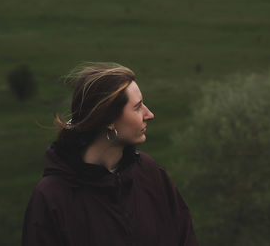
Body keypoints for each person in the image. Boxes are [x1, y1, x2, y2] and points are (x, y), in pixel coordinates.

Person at [21, 62, 198, 246]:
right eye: (137, 107)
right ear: (109, 120)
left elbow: (184, 236)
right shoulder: (51, 198)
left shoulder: (149, 173)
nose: (149, 114)